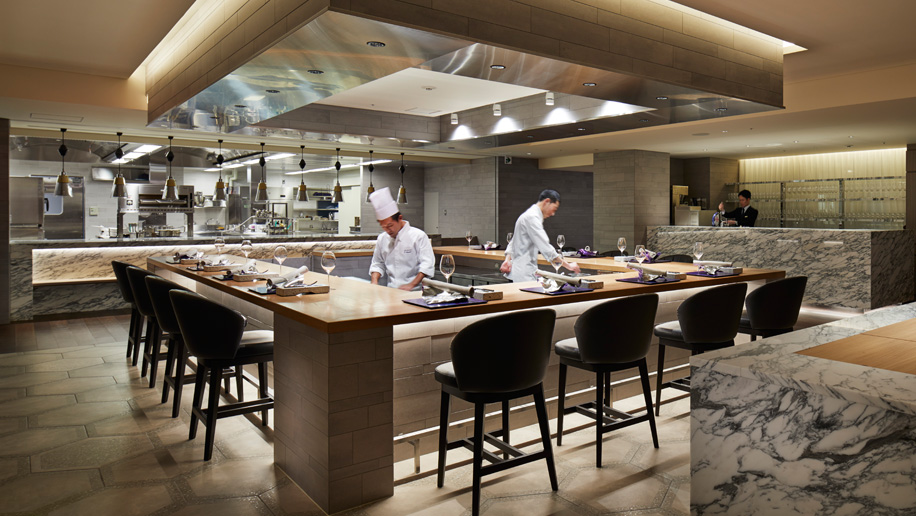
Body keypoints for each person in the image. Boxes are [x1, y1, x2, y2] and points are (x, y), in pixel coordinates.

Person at [500, 189, 581, 282]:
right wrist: (569, 266)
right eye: (554, 209)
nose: (553, 213)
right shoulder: (532, 218)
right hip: (524, 274)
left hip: (519, 272)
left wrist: (507, 260)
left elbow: (513, 242)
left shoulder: (527, 215)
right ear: (547, 201)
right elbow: (546, 248)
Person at [368, 187, 435, 290]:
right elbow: (377, 264)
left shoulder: (418, 236)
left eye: (390, 225)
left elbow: (427, 265)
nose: (387, 230)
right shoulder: (382, 238)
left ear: (400, 218)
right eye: (384, 227)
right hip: (391, 291)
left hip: (415, 292)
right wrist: (374, 282)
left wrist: (411, 285)